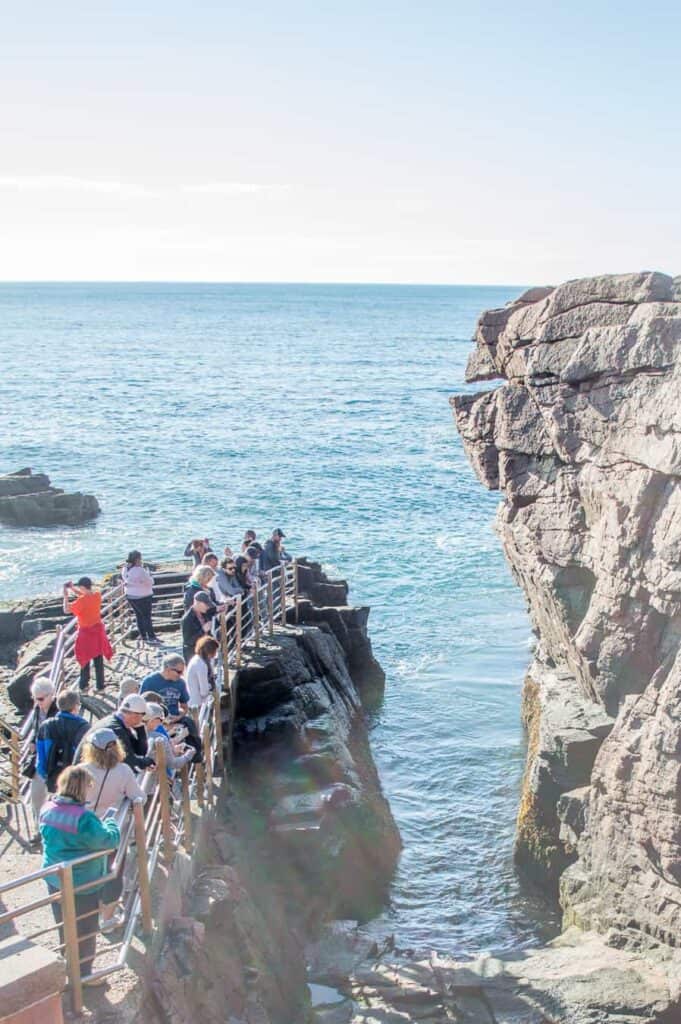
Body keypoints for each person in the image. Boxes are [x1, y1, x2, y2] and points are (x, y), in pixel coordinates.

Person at [40, 765, 120, 982]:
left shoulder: (47, 808)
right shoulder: (84, 819)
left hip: (54, 878)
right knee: (85, 927)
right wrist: (112, 823)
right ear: (83, 788)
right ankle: (83, 975)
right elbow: (108, 841)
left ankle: (68, 966)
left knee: (64, 924)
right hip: (83, 882)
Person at [81, 728, 145, 933]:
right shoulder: (124, 771)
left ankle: (87, 917)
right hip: (112, 831)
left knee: (87, 873)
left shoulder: (82, 771)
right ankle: (107, 920)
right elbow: (138, 796)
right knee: (113, 872)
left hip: (85, 831)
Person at [140, 654, 203, 763]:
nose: (181, 675)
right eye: (178, 672)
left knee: (191, 725)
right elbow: (142, 708)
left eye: (182, 672)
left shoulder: (180, 683)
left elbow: (184, 707)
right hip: (155, 719)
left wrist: (179, 716)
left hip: (174, 717)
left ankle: (196, 757)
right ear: (168, 669)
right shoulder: (149, 682)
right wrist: (161, 721)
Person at [21, 676, 58, 847]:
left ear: (52, 695)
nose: (37, 702)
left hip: (55, 761)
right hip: (40, 760)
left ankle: (52, 832)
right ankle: (40, 830)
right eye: (35, 698)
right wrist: (33, 742)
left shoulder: (59, 711)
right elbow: (37, 729)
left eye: (41, 698)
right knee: (36, 797)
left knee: (55, 798)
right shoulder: (38, 709)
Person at [63, 577, 113, 692]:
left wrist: (65, 596)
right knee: (98, 659)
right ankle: (100, 686)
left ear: (82, 587)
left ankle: (84, 685)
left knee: (85, 659)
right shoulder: (97, 595)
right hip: (97, 632)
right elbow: (85, 595)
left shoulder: (81, 601)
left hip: (86, 634)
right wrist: (72, 589)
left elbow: (66, 610)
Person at [37, 689, 89, 793]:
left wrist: (45, 775)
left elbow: (41, 758)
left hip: (53, 779)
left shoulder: (45, 726)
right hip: (76, 780)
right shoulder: (84, 727)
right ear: (76, 706)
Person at [94, 694, 154, 773]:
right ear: (135, 715)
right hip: (88, 778)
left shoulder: (118, 724)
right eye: (142, 716)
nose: (143, 720)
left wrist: (140, 728)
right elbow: (130, 763)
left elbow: (140, 751)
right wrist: (149, 761)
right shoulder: (116, 729)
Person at [144, 703, 194, 779]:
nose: (161, 723)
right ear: (152, 719)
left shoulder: (132, 734)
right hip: (158, 783)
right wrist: (188, 755)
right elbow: (173, 764)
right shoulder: (159, 738)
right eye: (160, 719)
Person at [122, 550, 158, 643]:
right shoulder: (140, 570)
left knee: (139, 616)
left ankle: (143, 636)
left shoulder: (125, 569)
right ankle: (151, 636)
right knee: (146, 617)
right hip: (143, 596)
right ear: (137, 559)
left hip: (130, 595)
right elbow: (150, 582)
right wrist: (149, 576)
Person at [181, 591, 217, 664]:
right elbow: (188, 641)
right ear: (197, 602)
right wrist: (203, 630)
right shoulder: (187, 620)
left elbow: (214, 610)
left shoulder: (204, 612)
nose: (208, 607)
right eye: (206, 604)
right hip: (194, 655)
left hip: (204, 652)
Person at [186, 637, 219, 709]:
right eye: (215, 651)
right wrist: (211, 687)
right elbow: (204, 691)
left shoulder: (196, 658)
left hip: (192, 699)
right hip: (197, 703)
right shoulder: (202, 665)